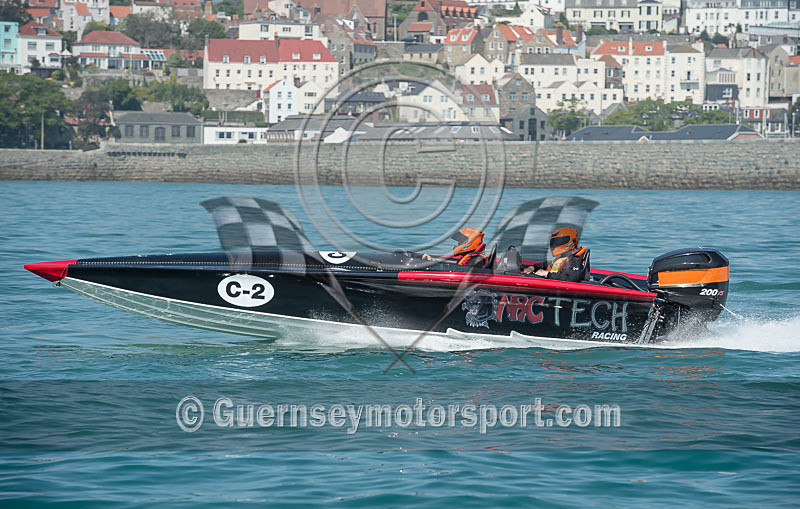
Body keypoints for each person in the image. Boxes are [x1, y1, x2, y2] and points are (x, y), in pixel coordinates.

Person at [522, 227, 588, 282]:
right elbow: (543, 265)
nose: (556, 244)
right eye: (554, 241)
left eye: (560, 241)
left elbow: (572, 279)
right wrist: (531, 268)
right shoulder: (562, 257)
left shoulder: (574, 260)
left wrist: (547, 274)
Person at [422, 228, 488, 267]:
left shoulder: (475, 260)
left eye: (460, 242)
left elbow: (458, 271)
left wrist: (432, 264)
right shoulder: (472, 257)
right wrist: (434, 261)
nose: (458, 244)